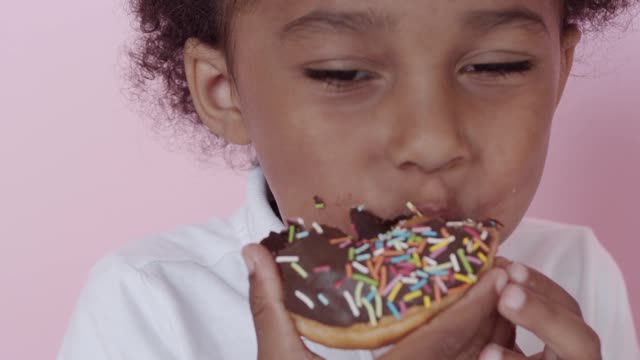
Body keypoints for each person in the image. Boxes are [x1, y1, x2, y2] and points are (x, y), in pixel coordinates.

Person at [58, 0, 640, 359]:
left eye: (498, 65)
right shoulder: (149, 305)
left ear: (560, 73)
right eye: (344, 73)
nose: (433, 142)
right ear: (223, 90)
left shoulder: (577, 276)